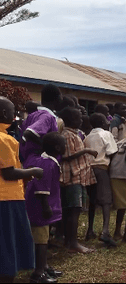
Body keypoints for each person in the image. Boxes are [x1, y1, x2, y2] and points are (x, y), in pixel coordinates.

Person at [0, 97, 45, 283]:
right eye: (13, 112)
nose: (16, 116)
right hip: (7, 200)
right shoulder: (4, 140)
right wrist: (32, 171)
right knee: (8, 246)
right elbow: (9, 173)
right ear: (4, 114)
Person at [24, 132, 66, 283]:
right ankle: (38, 273)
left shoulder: (49, 160)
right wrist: (46, 207)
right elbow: (41, 188)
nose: (66, 146)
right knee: (41, 241)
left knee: (44, 238)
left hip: (43, 206)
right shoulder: (48, 164)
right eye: (64, 144)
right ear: (57, 147)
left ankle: (45, 266)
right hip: (40, 208)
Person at [58, 107, 98, 254]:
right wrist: (87, 151)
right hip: (72, 177)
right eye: (79, 118)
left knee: (74, 209)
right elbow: (67, 155)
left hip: (78, 176)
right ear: (71, 120)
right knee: (73, 209)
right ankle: (73, 243)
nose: (82, 120)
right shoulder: (67, 135)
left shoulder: (74, 134)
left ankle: (69, 241)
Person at [83, 113, 118, 247]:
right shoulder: (106, 134)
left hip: (89, 169)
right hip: (102, 168)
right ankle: (105, 231)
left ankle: (90, 230)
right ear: (103, 122)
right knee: (106, 201)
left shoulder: (87, 137)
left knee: (92, 200)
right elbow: (112, 152)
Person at [20, 84, 63, 166]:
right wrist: (47, 149)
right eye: (61, 96)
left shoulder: (34, 115)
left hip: (30, 161)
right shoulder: (46, 116)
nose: (62, 99)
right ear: (56, 98)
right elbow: (29, 133)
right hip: (40, 163)